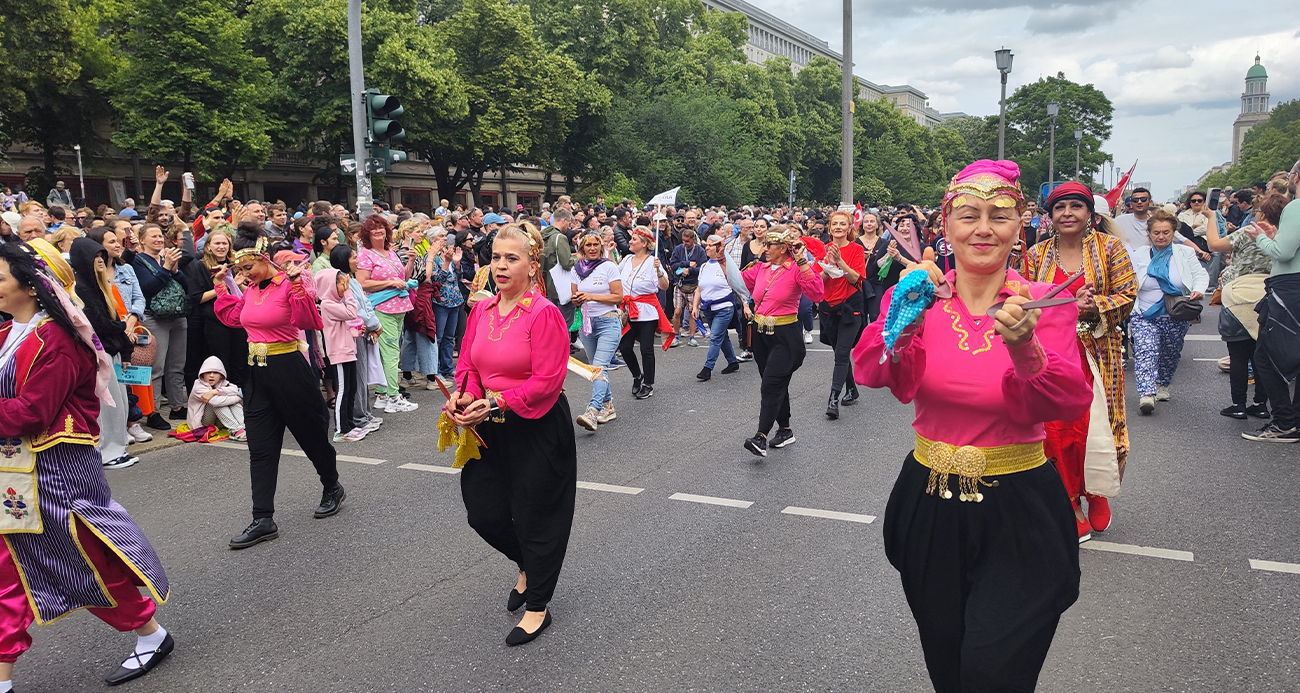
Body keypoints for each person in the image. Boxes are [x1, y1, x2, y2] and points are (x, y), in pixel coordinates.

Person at [854, 160, 1092, 693]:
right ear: (946, 223)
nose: (983, 228)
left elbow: (1071, 399)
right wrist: (903, 321)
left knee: (993, 671)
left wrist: (1025, 347)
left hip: (1019, 506)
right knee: (948, 662)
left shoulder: (1044, 302)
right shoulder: (917, 295)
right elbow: (871, 372)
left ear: (1020, 225)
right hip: (929, 497)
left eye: (999, 215)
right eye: (968, 215)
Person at [0, 241, 174, 687]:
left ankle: (150, 633)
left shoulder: (56, 341)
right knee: (8, 569)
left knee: (80, 561)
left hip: (55, 472)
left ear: (32, 285)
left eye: (0, 277)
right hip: (14, 471)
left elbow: (32, 413)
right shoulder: (7, 335)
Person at [444, 223, 575, 646]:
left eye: (511, 258)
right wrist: (461, 398)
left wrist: (496, 402)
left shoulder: (543, 313)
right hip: (488, 428)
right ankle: (526, 564)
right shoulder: (481, 310)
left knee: (536, 516)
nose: (500, 265)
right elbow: (468, 366)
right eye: (496, 257)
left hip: (536, 427)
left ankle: (538, 606)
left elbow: (548, 382)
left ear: (532, 263)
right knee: (483, 512)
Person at [212, 229, 344, 549]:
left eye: (248, 268)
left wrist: (299, 285)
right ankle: (263, 518)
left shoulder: (288, 283)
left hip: (289, 369)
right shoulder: (252, 289)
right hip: (256, 373)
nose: (243, 275)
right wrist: (220, 286)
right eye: (239, 271)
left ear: (264, 258)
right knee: (260, 447)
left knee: (312, 436)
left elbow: (308, 320)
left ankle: (332, 485)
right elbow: (235, 318)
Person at [1022, 182, 1137, 542]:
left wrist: (1093, 306)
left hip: (1097, 353)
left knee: (1096, 427)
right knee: (1056, 433)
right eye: (1060, 207)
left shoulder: (1111, 247)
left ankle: (1097, 492)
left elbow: (1128, 293)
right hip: (1052, 356)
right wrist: (1063, 306)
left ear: (1090, 213)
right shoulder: (1035, 255)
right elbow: (1021, 300)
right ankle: (1069, 503)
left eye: (1075, 206)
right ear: (1050, 215)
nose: (1067, 213)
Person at [739, 226, 824, 457]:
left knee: (770, 384)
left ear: (784, 248)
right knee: (776, 384)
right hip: (760, 333)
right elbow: (737, 281)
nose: (765, 248)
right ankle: (785, 430)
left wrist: (803, 261)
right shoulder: (760, 268)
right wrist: (720, 260)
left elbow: (817, 293)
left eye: (770, 244)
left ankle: (761, 436)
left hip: (786, 335)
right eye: (765, 244)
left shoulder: (795, 269)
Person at [68, 237, 139, 470]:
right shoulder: (80, 288)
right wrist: (122, 327)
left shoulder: (101, 286)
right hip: (98, 353)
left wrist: (124, 344)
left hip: (112, 350)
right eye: (95, 256)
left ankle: (117, 448)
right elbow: (96, 323)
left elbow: (109, 320)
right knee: (106, 406)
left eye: (101, 256)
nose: (100, 260)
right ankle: (107, 452)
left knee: (119, 405)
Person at [1130, 209, 1208, 414]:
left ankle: (1162, 384)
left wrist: (1198, 290)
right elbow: (1129, 280)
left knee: (1170, 353)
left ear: (1173, 232)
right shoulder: (1139, 255)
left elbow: (1199, 274)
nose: (1161, 236)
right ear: (1150, 234)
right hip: (1144, 314)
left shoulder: (1185, 253)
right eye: (1156, 232)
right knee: (1146, 351)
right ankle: (1146, 393)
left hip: (1176, 313)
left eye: (1166, 232)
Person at [1211, 194, 1279, 419]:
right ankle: (1261, 404)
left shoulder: (1249, 231)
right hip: (1268, 295)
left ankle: (1238, 404)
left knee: (1238, 355)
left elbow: (1214, 245)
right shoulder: (1284, 236)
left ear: (1260, 213)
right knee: (1262, 356)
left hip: (1239, 294)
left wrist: (1211, 216)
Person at [1243, 178, 1300, 442]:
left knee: (1265, 354)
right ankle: (1294, 421)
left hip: (1289, 286)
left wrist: (1262, 238)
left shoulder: (1295, 207)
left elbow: (1284, 252)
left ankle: (1283, 423)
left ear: (1296, 178)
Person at [356, 215, 418, 414]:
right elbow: (363, 283)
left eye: (381, 227)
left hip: (399, 306)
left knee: (388, 352)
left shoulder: (390, 251)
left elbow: (403, 278)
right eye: (373, 228)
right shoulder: (365, 254)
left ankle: (383, 394)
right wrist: (390, 283)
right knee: (390, 354)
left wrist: (410, 262)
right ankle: (393, 396)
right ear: (367, 233)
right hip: (381, 308)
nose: (378, 231)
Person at [132, 223, 189, 426]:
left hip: (177, 316)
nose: (158, 239)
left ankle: (177, 406)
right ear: (142, 240)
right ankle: (153, 411)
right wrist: (165, 269)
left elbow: (185, 285)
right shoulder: (138, 261)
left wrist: (174, 270)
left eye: (160, 236)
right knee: (156, 367)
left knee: (177, 365)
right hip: (155, 318)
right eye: (153, 236)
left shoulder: (166, 258)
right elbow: (148, 288)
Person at [571, 232, 624, 431]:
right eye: (588, 245)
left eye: (595, 244)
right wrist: (576, 299)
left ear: (600, 247)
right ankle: (608, 406)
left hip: (608, 322)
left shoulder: (608, 266)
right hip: (587, 324)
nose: (592, 248)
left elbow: (618, 297)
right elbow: (574, 295)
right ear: (582, 248)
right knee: (595, 369)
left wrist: (591, 296)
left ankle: (592, 411)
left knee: (598, 367)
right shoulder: (576, 269)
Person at [818, 210, 868, 419]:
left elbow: (856, 278)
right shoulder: (823, 249)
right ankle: (852, 389)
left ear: (849, 228)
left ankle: (833, 399)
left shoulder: (857, 249)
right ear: (830, 229)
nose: (838, 227)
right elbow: (817, 282)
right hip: (828, 307)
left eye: (842, 224)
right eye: (834, 224)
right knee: (840, 352)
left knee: (840, 354)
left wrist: (840, 261)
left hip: (851, 308)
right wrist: (827, 267)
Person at [314, 265, 369, 442]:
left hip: (348, 351)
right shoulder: (328, 304)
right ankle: (341, 429)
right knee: (343, 390)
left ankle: (350, 424)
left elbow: (346, 323)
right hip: (339, 353)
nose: (344, 287)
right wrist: (349, 292)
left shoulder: (335, 303)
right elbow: (352, 313)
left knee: (351, 388)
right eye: (341, 284)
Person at [618, 227, 673, 397]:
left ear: (644, 243)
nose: (630, 241)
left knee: (646, 348)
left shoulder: (653, 261)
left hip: (646, 311)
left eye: (634, 239)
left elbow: (664, 286)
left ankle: (648, 383)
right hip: (628, 310)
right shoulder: (626, 259)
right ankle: (637, 375)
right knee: (625, 347)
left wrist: (658, 271)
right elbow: (612, 276)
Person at [693, 233, 741, 381]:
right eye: (706, 245)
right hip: (708, 308)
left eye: (710, 245)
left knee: (714, 337)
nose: (706, 248)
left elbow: (737, 284)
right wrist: (695, 307)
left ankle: (708, 368)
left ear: (718, 247)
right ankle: (733, 362)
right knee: (722, 336)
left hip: (724, 307)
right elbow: (699, 289)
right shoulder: (704, 266)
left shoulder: (726, 264)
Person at [186, 356, 246, 440]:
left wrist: (215, 391)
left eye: (215, 373)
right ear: (202, 374)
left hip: (219, 420)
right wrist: (238, 398)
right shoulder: (198, 385)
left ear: (221, 376)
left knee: (230, 400)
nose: (211, 375)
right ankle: (235, 429)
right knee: (219, 402)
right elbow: (216, 402)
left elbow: (235, 389)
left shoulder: (223, 383)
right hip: (202, 422)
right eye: (208, 372)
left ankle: (244, 426)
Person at [669, 228, 706, 345]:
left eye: (687, 241)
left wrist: (689, 270)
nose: (684, 243)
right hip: (680, 284)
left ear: (693, 240)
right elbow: (673, 265)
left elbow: (702, 268)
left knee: (692, 312)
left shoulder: (700, 251)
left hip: (694, 285)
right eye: (683, 241)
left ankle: (691, 336)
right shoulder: (678, 249)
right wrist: (686, 264)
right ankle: (676, 335)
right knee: (677, 311)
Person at [856, 212, 888, 323]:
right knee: (860, 317)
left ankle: (875, 339)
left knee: (876, 315)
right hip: (859, 283)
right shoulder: (855, 243)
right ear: (862, 225)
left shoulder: (884, 243)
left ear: (877, 225)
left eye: (872, 221)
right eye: (866, 221)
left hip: (877, 283)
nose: (869, 224)